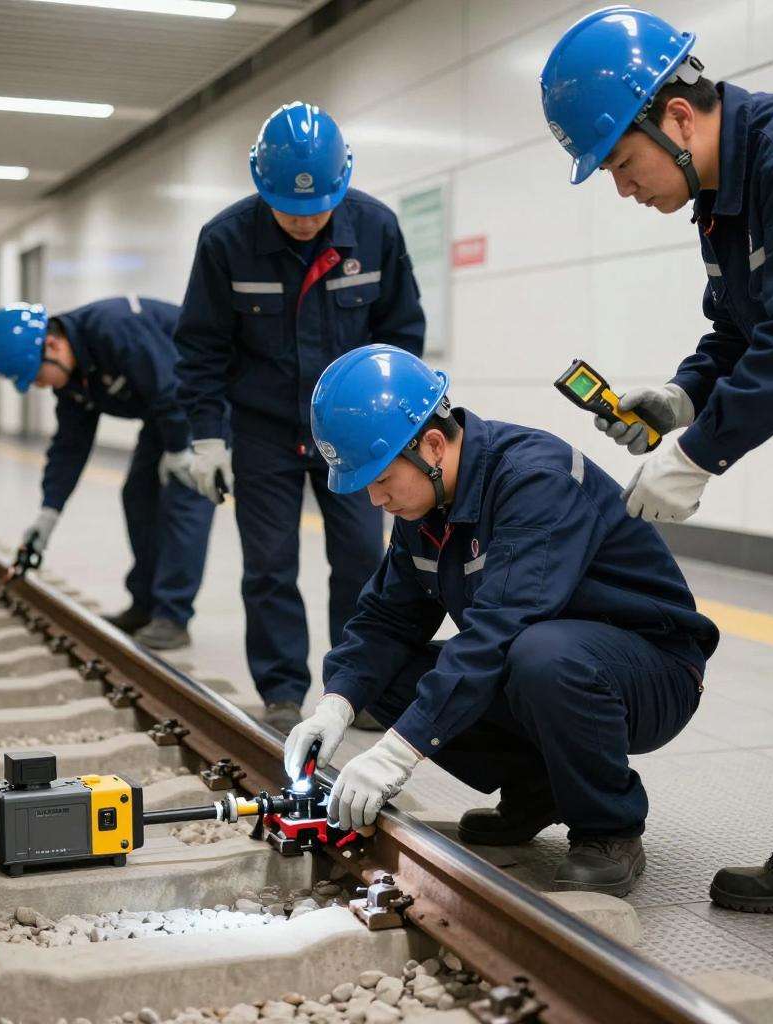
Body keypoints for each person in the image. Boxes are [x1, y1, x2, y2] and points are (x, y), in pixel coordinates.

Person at [541, 5, 773, 992]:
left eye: (620, 164)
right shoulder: (727, 193)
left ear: (676, 116)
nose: (622, 189)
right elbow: (742, 332)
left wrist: (697, 454)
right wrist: (680, 395)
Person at [284, 344, 718, 895]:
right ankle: (539, 788)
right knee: (383, 675)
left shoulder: (533, 479)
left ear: (433, 446)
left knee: (539, 655)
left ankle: (609, 827)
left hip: (650, 668)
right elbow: (386, 621)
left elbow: (499, 629)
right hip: (545, 658)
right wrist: (334, 707)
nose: (374, 499)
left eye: (380, 479)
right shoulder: (426, 500)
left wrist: (398, 751)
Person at [173, 101, 425, 734]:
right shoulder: (226, 241)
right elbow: (200, 348)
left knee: (364, 558)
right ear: (261, 186)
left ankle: (357, 688)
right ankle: (282, 690)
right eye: (290, 208)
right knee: (268, 563)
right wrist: (207, 436)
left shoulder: (376, 229)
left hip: (355, 432)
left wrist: (398, 422)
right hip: (263, 429)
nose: (307, 220)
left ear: (343, 182)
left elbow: (401, 331)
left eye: (319, 208)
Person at [0, 298, 214, 650]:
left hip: (204, 397)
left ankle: (173, 616)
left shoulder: (116, 328)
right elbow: (69, 447)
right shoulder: (74, 379)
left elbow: (170, 384)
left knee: (185, 496)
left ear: (52, 345)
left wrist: (181, 451)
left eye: (37, 376)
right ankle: (146, 605)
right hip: (167, 410)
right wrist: (48, 514)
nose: (41, 386)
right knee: (137, 494)